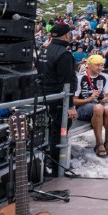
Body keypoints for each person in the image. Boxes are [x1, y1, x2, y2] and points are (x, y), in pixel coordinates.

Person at [37, 23, 78, 155]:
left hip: (42, 96)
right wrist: (71, 106)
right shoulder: (64, 54)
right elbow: (67, 82)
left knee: (47, 129)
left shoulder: (43, 50)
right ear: (66, 35)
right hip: (58, 100)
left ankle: (47, 158)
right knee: (60, 130)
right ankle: (56, 163)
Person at [76, 54, 108, 157]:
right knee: (99, 107)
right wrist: (90, 98)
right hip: (82, 108)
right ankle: (99, 143)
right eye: (97, 65)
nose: (100, 68)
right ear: (89, 65)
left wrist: (103, 98)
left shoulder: (104, 76)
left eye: (102, 65)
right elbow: (73, 101)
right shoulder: (80, 78)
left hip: (99, 105)